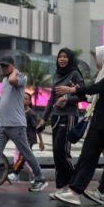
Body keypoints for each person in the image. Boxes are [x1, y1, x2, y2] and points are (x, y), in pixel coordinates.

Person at [51, 44, 104, 205]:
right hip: (99, 123)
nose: (97, 62)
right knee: (87, 156)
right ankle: (75, 191)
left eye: (98, 59)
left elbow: (93, 89)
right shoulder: (102, 75)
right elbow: (90, 96)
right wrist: (71, 96)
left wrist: (72, 91)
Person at [0, 56, 47, 193]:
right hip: (2, 124)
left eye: (6, 66)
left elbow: (14, 80)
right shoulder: (4, 80)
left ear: (12, 66)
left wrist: (15, 71)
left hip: (16, 125)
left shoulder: (20, 77)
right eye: (1, 66)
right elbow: (4, 100)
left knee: (26, 152)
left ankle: (40, 178)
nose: (3, 68)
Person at [42, 47, 83, 194]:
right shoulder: (56, 75)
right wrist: (43, 119)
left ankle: (77, 180)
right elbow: (52, 98)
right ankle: (61, 187)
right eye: (60, 56)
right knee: (56, 153)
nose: (62, 59)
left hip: (69, 115)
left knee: (62, 152)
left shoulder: (75, 74)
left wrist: (66, 98)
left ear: (70, 59)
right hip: (56, 117)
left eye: (65, 56)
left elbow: (82, 95)